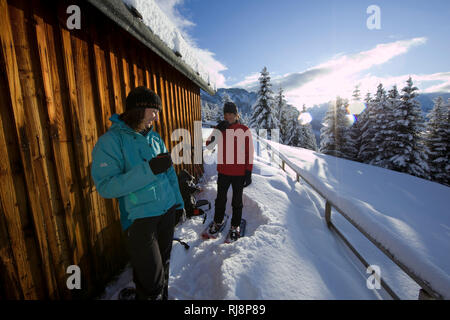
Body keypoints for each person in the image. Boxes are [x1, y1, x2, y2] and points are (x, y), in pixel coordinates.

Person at [91, 86, 184, 300]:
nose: (156, 117)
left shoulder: (154, 138)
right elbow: (106, 186)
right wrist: (148, 169)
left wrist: (178, 204)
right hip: (140, 219)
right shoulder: (111, 142)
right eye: (153, 111)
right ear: (137, 109)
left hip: (167, 211)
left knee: (163, 267)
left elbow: (170, 175)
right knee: (151, 279)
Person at [205, 102, 254, 241]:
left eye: (231, 114)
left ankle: (235, 226)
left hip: (239, 173)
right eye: (226, 114)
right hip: (223, 172)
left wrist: (248, 172)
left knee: (237, 201)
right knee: (220, 199)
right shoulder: (221, 128)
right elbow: (209, 146)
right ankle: (217, 221)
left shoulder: (244, 130)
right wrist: (218, 131)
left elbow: (249, 153)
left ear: (236, 114)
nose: (228, 117)